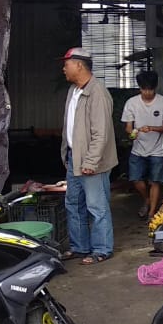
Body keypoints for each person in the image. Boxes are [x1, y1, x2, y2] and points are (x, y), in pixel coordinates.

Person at [59, 47, 118, 265]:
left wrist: (91, 161)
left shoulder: (97, 92)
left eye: (67, 64)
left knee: (96, 206)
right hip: (74, 158)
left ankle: (102, 249)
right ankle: (79, 246)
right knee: (73, 204)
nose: (64, 69)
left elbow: (100, 132)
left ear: (79, 65)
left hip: (93, 161)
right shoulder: (74, 91)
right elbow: (70, 126)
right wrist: (67, 153)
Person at [122, 70, 163, 221]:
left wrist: (152, 128)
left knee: (155, 181)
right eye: (144, 89)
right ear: (139, 88)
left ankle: (152, 212)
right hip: (138, 149)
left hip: (158, 150)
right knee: (135, 179)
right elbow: (128, 127)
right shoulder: (131, 103)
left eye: (150, 89)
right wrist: (133, 132)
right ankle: (146, 199)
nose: (147, 92)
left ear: (155, 87)